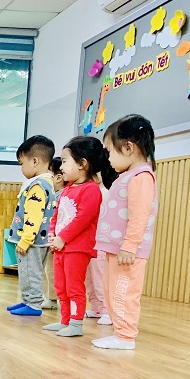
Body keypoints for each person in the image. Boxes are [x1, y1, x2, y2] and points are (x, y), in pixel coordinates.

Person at [93, 115, 158, 350]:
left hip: (127, 252)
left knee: (123, 293)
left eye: (110, 152)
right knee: (111, 292)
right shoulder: (128, 176)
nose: (108, 159)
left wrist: (129, 246)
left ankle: (125, 336)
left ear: (129, 147)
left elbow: (140, 215)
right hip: (116, 250)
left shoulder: (141, 177)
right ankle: (119, 333)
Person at [46, 136, 115, 337]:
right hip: (61, 246)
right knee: (60, 286)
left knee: (74, 286)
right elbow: (57, 215)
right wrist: (52, 234)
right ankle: (65, 320)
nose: (61, 167)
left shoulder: (91, 190)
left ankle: (76, 323)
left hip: (76, 249)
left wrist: (63, 237)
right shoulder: (68, 189)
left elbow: (83, 219)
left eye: (65, 161)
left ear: (82, 164)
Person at [6, 135, 56, 316]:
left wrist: (26, 240)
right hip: (39, 240)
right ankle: (27, 300)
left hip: (32, 241)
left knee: (30, 272)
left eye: (22, 164)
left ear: (34, 161)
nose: (21, 169)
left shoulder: (37, 186)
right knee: (30, 271)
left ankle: (33, 304)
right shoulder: (47, 183)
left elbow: (33, 216)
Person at [85, 171, 111, 325]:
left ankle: (106, 310)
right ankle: (96, 307)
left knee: (99, 275)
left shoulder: (106, 192)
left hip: (100, 240)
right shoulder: (92, 190)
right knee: (89, 277)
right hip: (90, 240)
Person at [41, 157, 64, 310]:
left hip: (55, 239)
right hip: (51, 238)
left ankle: (52, 299)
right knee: (48, 269)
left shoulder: (60, 196)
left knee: (51, 269)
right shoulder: (55, 195)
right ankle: (50, 298)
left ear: (58, 177)